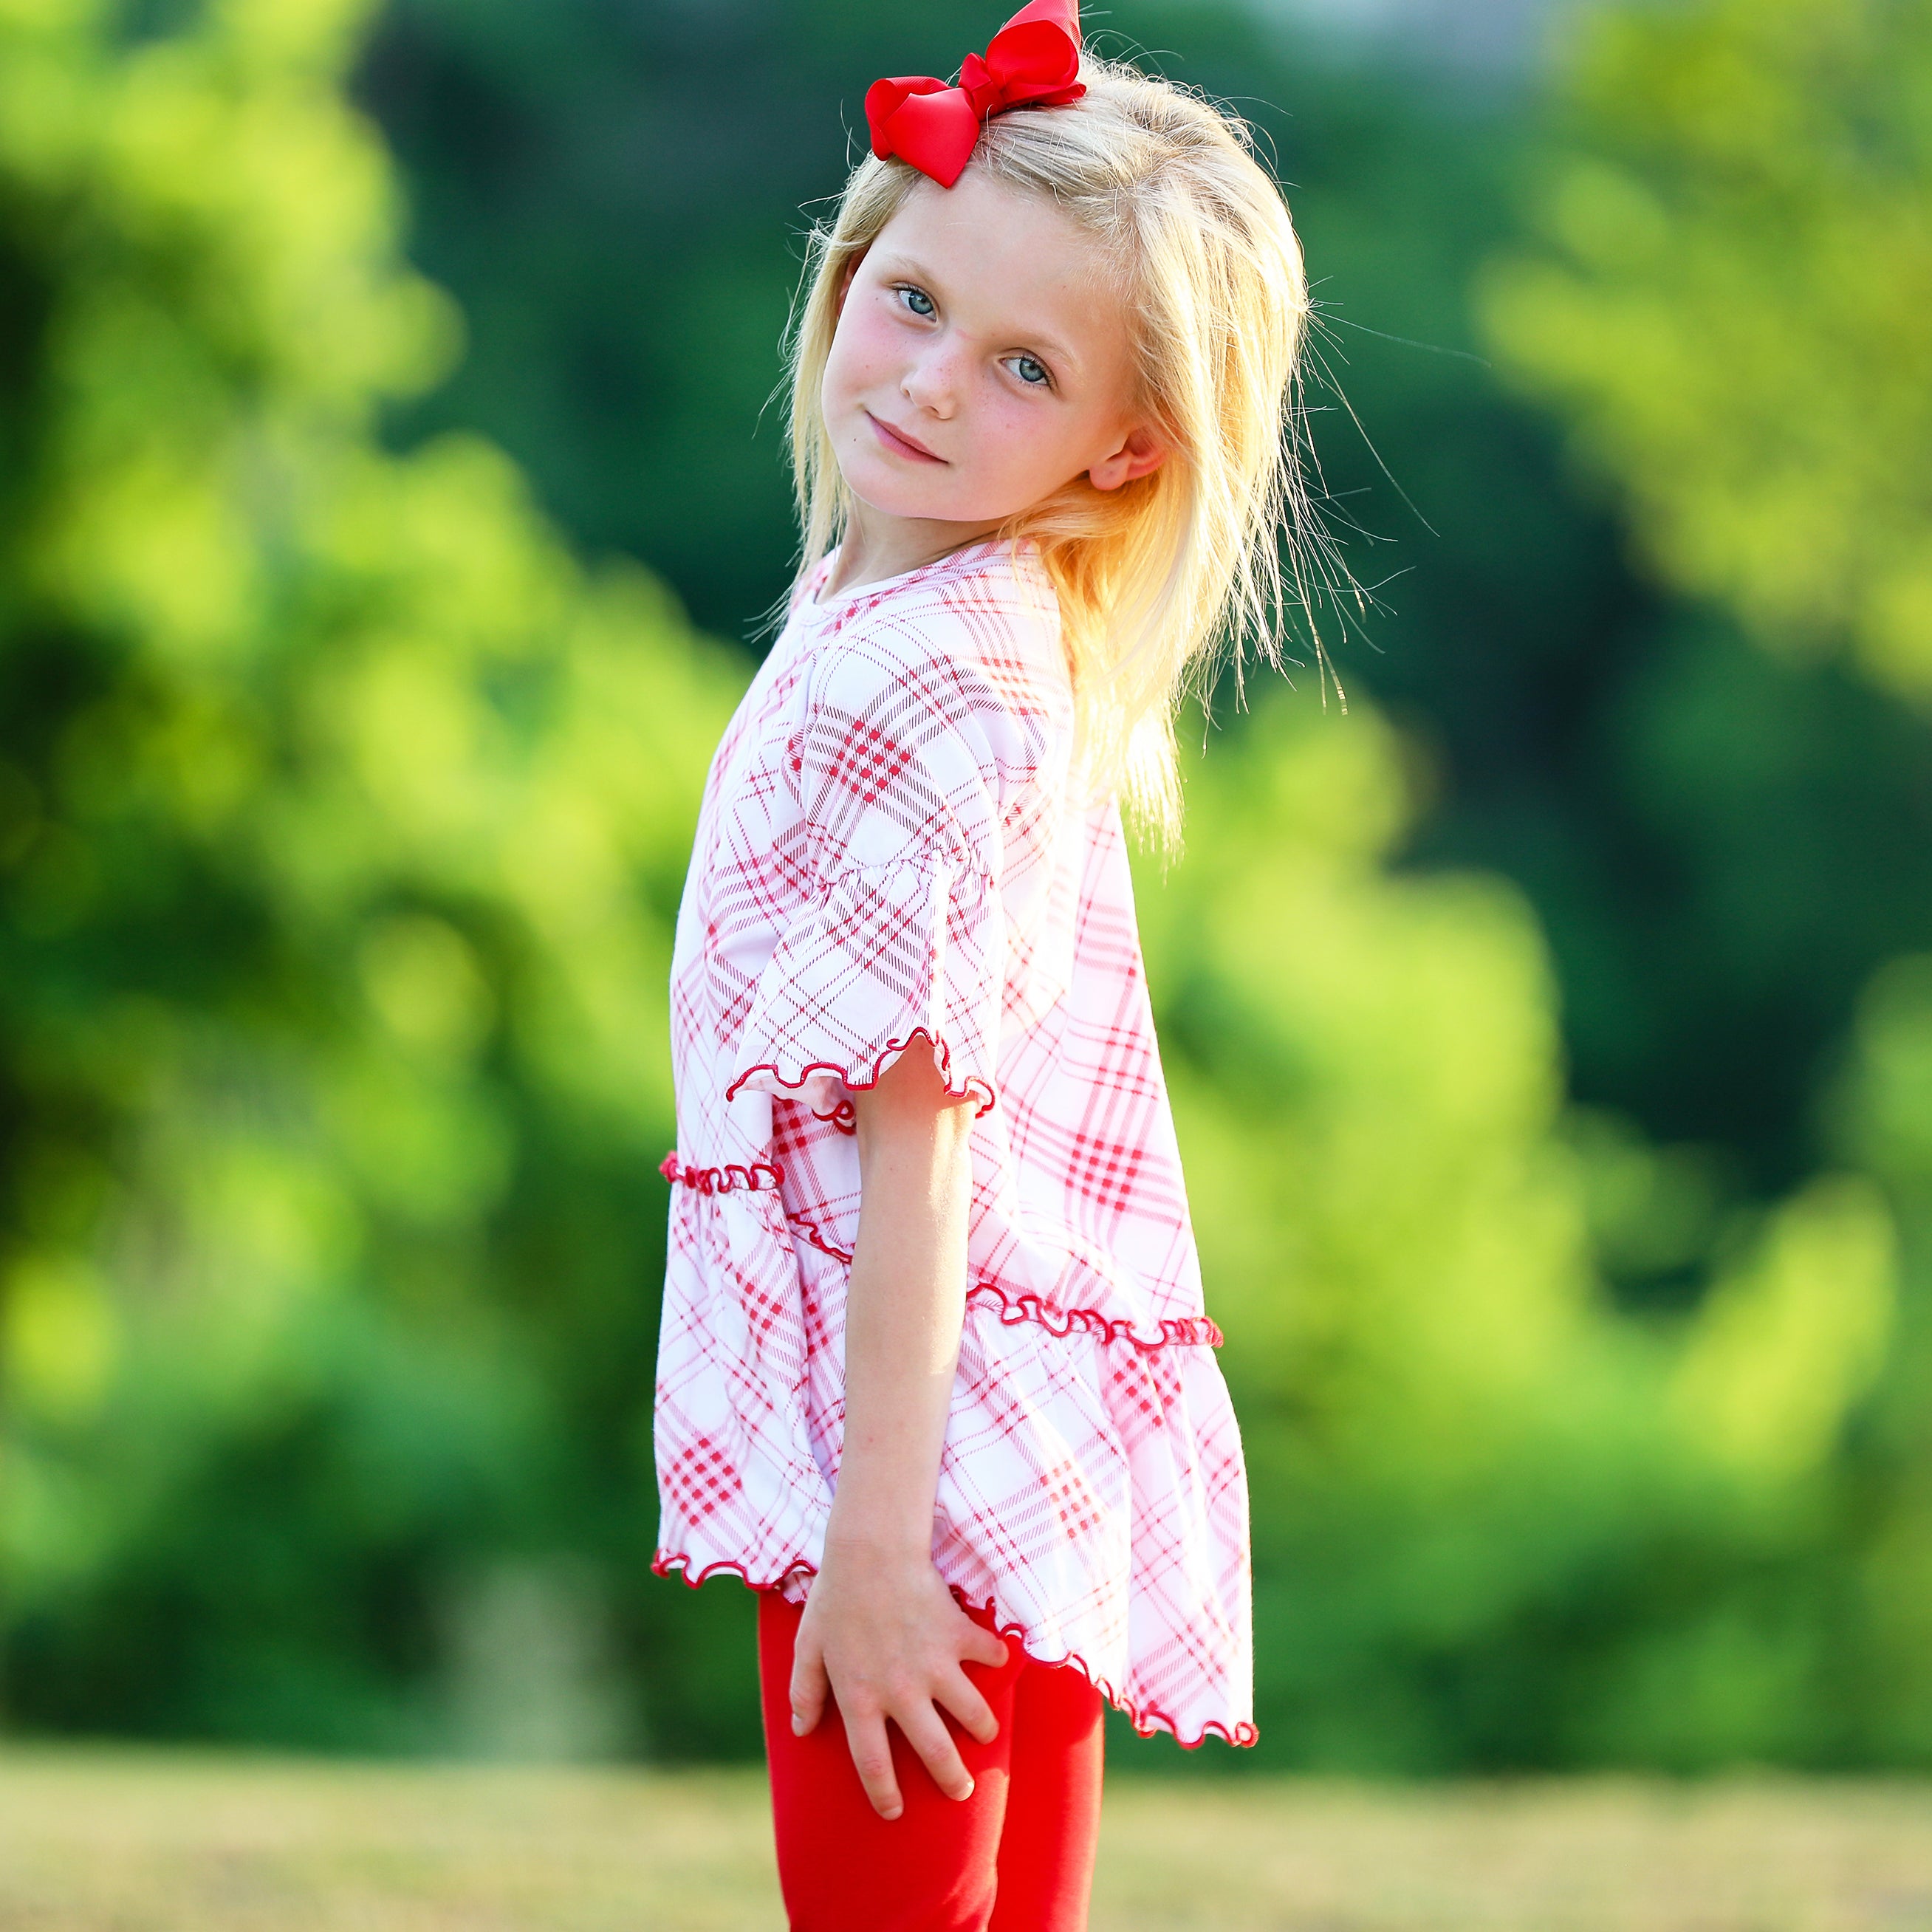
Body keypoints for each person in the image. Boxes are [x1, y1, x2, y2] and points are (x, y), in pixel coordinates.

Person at [653, 3, 1320, 1924]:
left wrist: (875, 1552)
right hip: (1008, 1451)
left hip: (919, 1465)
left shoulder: (936, 672)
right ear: (851, 269)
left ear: (1125, 456)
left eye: (1021, 363)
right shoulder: (932, 607)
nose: (933, 380)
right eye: (915, 299)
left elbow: (917, 1140)